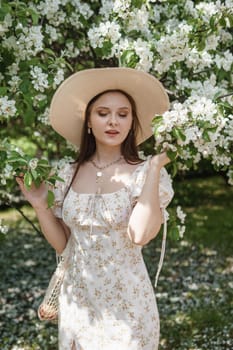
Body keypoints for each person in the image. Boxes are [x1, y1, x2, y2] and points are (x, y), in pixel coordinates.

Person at [16, 67, 174, 350]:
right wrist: (41, 206)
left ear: (131, 123)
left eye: (123, 114)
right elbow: (65, 245)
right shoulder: (67, 174)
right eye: (103, 113)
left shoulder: (146, 174)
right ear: (88, 121)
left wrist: (153, 168)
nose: (113, 121)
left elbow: (140, 235)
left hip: (128, 303)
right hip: (78, 300)